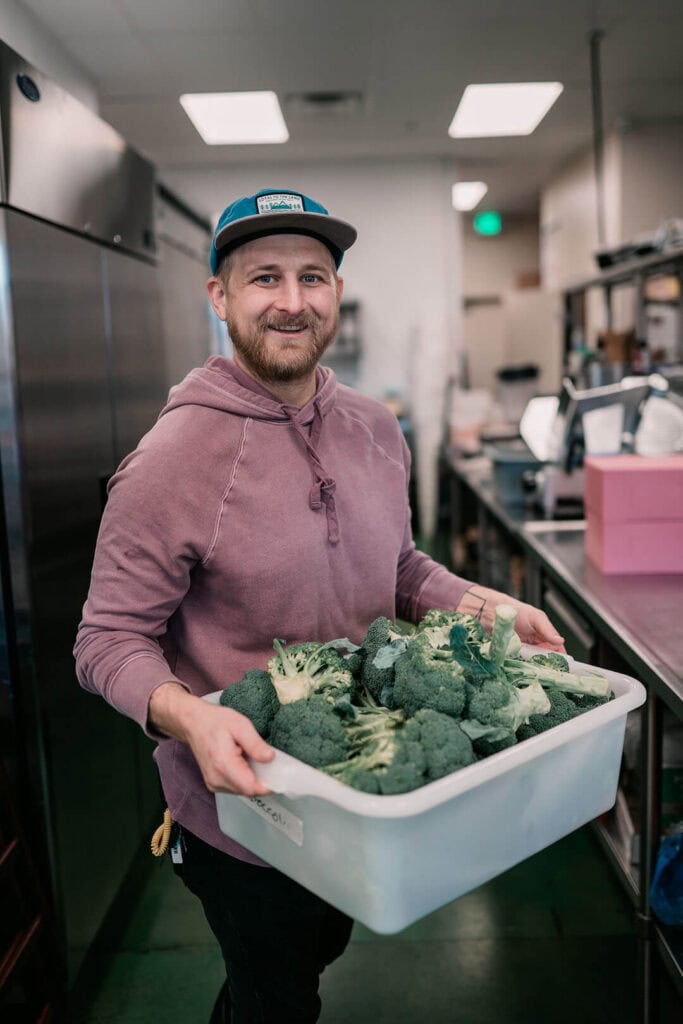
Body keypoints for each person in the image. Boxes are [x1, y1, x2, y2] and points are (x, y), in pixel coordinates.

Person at [74, 187, 564, 1023]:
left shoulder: (375, 428)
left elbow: (398, 568)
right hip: (245, 814)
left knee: (304, 962)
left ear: (336, 292)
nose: (291, 301)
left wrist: (479, 603)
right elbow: (106, 640)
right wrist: (192, 719)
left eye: (312, 277)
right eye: (264, 278)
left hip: (357, 790)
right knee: (276, 994)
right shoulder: (169, 461)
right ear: (219, 296)